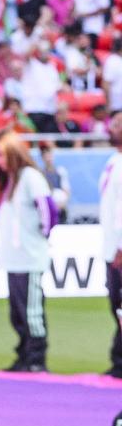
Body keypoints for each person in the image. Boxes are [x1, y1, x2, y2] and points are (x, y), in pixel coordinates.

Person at [0, 133, 67, 372]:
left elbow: (48, 210)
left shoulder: (30, 177)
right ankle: (24, 355)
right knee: (18, 313)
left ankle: (36, 358)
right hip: (14, 259)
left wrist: (41, 237)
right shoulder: (12, 180)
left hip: (30, 258)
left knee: (32, 313)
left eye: (0, 154)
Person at [101, 126, 122, 377]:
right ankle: (118, 359)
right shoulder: (113, 161)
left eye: (118, 124)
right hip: (110, 246)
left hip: (118, 248)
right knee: (115, 305)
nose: (112, 127)